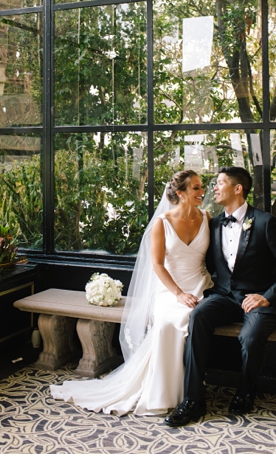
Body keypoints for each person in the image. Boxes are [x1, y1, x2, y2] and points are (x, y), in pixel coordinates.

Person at [50, 171, 212, 415]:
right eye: (196, 188)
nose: (202, 192)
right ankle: (165, 393)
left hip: (200, 285)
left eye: (202, 187)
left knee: (196, 320)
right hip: (170, 290)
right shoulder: (163, 223)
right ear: (180, 193)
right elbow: (157, 265)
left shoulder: (207, 217)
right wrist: (178, 294)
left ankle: (191, 390)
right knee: (168, 324)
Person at [166, 166, 276, 426]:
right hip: (225, 295)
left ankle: (245, 391)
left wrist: (266, 297)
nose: (214, 188)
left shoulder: (266, 223)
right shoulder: (214, 222)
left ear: (238, 188)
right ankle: (193, 400)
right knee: (198, 317)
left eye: (219, 183)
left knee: (250, 337)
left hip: (260, 299)